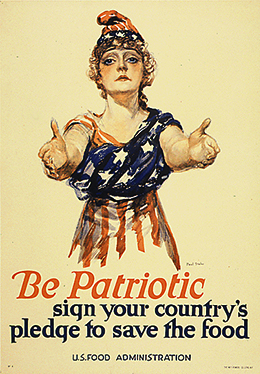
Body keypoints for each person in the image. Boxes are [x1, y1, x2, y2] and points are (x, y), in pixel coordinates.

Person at [38, 10, 220, 270]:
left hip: (148, 232)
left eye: (131, 59)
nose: (121, 67)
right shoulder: (86, 125)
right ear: (98, 75)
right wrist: (60, 157)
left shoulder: (159, 124)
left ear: (145, 71)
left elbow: (175, 148)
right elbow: (72, 149)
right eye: (110, 60)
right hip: (96, 234)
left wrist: (193, 152)